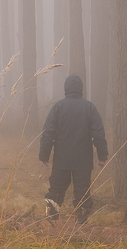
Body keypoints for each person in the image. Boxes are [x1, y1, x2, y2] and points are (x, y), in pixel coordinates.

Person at [39, 73, 108, 222]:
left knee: (56, 191)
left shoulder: (58, 107)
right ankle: (81, 224)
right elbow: (99, 134)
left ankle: (51, 223)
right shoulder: (89, 107)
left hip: (61, 160)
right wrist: (102, 156)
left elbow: (48, 134)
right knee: (83, 193)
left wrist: (43, 156)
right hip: (83, 161)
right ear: (81, 89)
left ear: (66, 88)